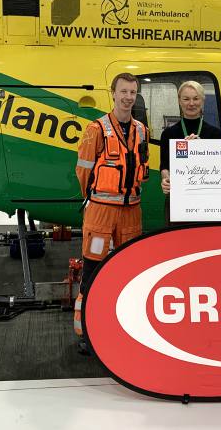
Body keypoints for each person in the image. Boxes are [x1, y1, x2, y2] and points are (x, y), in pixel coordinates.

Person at [73, 72, 150, 353]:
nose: (129, 97)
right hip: (101, 215)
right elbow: (83, 171)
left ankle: (124, 326)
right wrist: (96, 198)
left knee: (129, 269)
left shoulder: (142, 130)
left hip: (131, 212)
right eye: (124, 92)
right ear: (113, 93)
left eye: (133, 92)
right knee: (93, 271)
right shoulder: (96, 130)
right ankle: (87, 334)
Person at [159, 81, 221, 223]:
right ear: (179, 101)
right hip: (177, 200)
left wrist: (202, 151)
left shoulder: (216, 134)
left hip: (208, 202)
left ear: (203, 101)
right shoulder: (168, 134)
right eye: (186, 99)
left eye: (196, 98)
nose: (191, 103)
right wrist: (166, 179)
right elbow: (164, 166)